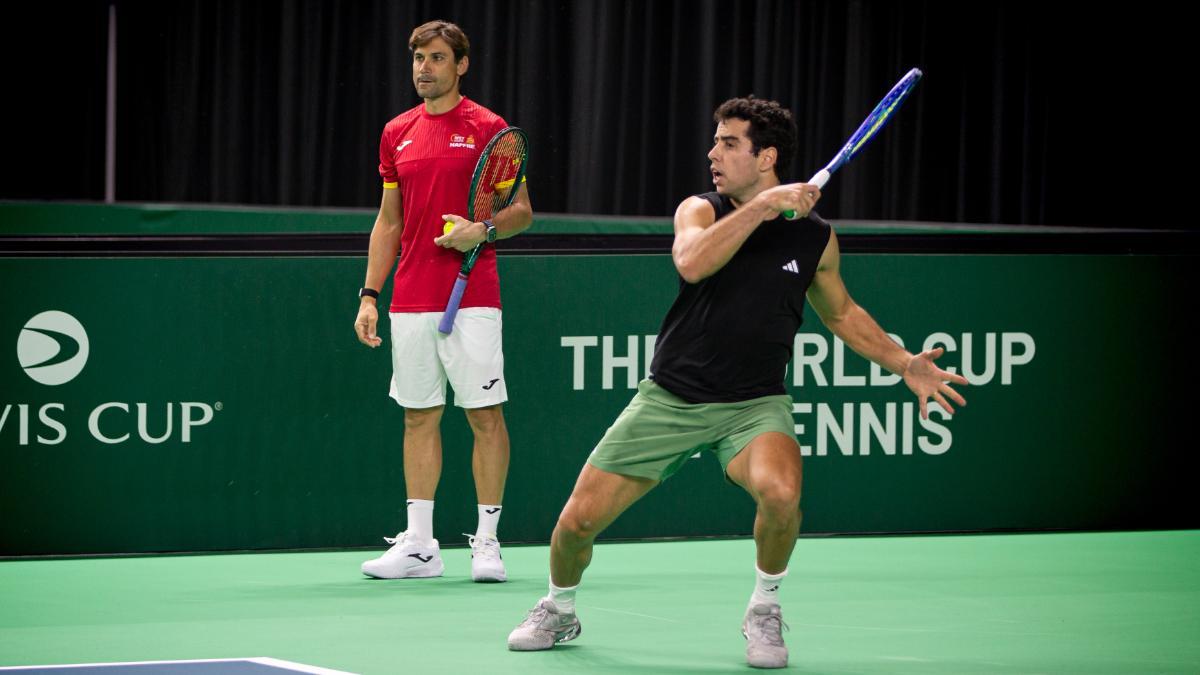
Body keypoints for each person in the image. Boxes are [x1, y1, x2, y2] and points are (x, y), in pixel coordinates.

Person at [506, 97, 967, 667]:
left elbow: (842, 313)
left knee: (782, 493)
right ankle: (559, 607)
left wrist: (905, 363)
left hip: (754, 405)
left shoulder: (815, 237)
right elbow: (693, 263)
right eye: (716, 141)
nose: (712, 153)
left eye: (729, 143)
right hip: (671, 399)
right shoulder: (699, 210)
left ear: (766, 156)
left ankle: (764, 608)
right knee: (576, 524)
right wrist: (765, 205)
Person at [353, 19, 532, 583]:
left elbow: (522, 211)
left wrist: (481, 230)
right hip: (410, 297)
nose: (423, 68)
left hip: (472, 294)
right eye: (417, 59)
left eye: (435, 58)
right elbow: (389, 222)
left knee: (484, 416)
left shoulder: (488, 128)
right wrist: (369, 295)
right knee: (418, 416)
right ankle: (421, 546)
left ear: (461, 65)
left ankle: (487, 541)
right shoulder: (395, 132)